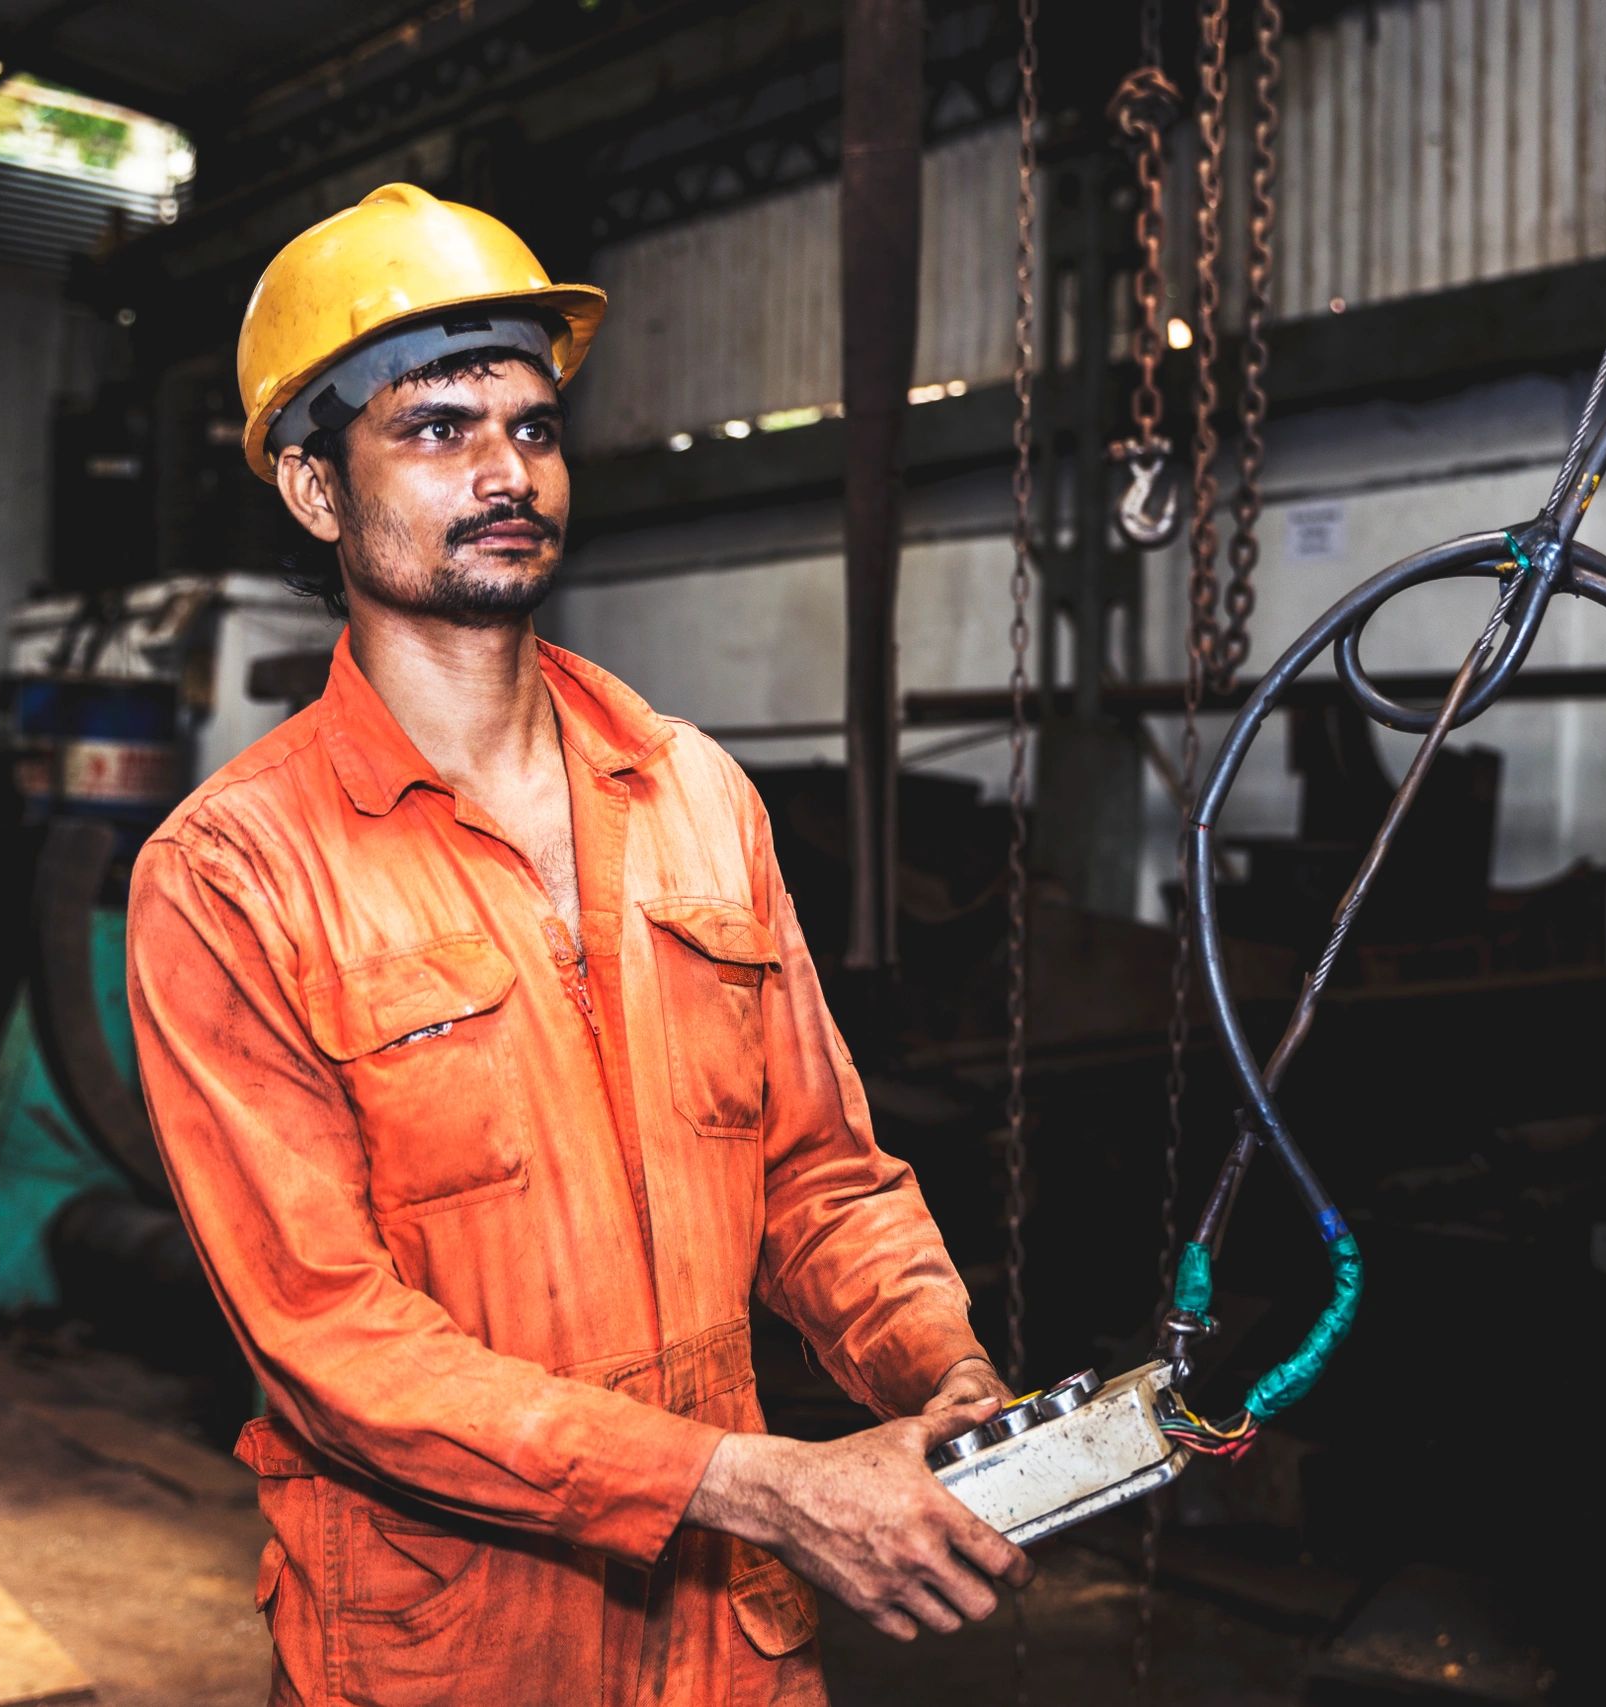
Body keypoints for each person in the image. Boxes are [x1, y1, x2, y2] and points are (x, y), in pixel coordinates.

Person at [126, 183, 1026, 1706]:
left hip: (725, 1652)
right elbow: (334, 1345)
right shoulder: (234, 875)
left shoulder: (694, 797)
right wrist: (762, 1486)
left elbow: (817, 1171)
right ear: (310, 488)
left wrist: (935, 1368)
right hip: (449, 1655)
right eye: (436, 429)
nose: (503, 471)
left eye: (533, 428)